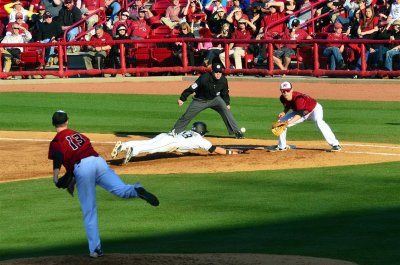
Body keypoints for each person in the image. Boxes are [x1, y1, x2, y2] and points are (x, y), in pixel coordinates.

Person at [48, 110, 159, 258]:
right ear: (67, 121)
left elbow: (59, 156)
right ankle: (136, 189)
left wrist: (56, 177)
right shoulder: (78, 135)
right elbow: (81, 155)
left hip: (83, 168)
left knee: (90, 211)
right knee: (121, 189)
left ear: (53, 123)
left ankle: (95, 249)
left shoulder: (56, 141)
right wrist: (73, 178)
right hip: (98, 162)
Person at [111, 121, 245, 164]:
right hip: (171, 142)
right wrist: (232, 152)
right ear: (202, 131)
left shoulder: (189, 132)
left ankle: (124, 145)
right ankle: (132, 151)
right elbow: (215, 149)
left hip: (167, 135)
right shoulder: (201, 140)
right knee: (151, 149)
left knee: (149, 143)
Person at [171, 63, 245, 139]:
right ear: (212, 72)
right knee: (186, 116)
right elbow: (192, 88)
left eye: (220, 72)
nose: (218, 74)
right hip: (200, 101)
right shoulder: (204, 78)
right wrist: (182, 98)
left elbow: (225, 93)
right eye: (216, 72)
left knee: (226, 111)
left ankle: (237, 132)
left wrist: (227, 103)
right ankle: (174, 133)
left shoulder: (223, 80)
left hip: (215, 100)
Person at [271, 81, 341, 152]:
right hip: (301, 112)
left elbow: (299, 115)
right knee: (280, 123)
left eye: (288, 90)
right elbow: (288, 105)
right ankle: (282, 146)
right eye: (283, 91)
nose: (285, 93)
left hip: (314, 110)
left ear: (291, 90)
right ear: (281, 91)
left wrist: (288, 123)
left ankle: (335, 144)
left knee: (319, 122)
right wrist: (284, 112)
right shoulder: (282, 98)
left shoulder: (299, 98)